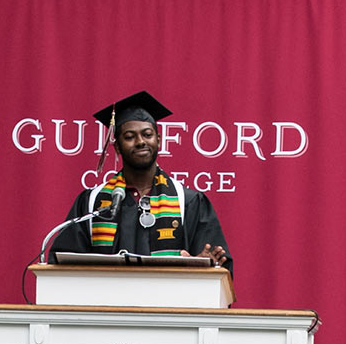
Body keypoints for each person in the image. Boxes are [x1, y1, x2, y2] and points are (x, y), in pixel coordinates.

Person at [50, 90, 232, 269]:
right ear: (118, 147)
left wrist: (202, 266)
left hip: (169, 298)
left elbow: (215, 269)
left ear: (159, 140)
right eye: (129, 137)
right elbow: (64, 266)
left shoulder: (189, 203)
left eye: (147, 134)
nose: (140, 142)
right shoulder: (93, 204)